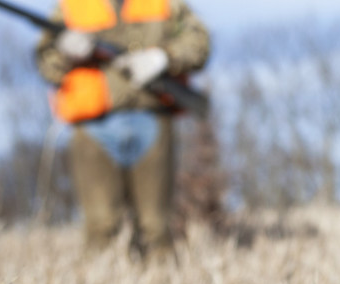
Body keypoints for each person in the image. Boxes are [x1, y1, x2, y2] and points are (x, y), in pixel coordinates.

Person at [35, 0, 210, 258]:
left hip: (153, 118)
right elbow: (45, 65)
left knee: (157, 228)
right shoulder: (70, 7)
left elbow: (199, 43)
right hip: (94, 126)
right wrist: (64, 51)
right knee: (100, 228)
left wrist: (163, 57)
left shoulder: (166, 4)